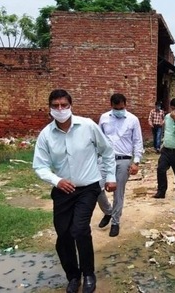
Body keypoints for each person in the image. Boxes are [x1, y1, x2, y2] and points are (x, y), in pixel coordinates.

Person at [33, 89, 116, 293]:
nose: (60, 109)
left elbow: (107, 150)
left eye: (64, 105)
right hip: (63, 191)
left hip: (88, 188)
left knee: (79, 229)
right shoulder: (46, 135)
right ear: (50, 108)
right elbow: (40, 166)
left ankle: (88, 274)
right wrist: (57, 180)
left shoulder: (87, 126)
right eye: (55, 106)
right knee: (63, 236)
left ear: (71, 105)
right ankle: (73, 276)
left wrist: (111, 177)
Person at [96, 94, 143, 237]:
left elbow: (137, 141)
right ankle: (108, 212)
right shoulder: (104, 118)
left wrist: (136, 162)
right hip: (106, 159)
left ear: (125, 105)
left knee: (118, 192)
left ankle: (115, 222)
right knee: (96, 187)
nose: (119, 110)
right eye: (116, 108)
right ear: (111, 105)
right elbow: (99, 139)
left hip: (124, 159)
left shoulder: (133, 120)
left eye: (121, 108)